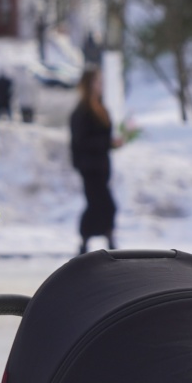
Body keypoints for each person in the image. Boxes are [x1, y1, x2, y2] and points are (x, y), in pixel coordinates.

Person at [70, 66, 122, 253]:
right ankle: (91, 239)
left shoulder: (101, 108)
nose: (101, 86)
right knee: (103, 205)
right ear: (88, 84)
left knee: (102, 205)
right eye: (97, 81)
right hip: (90, 168)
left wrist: (112, 143)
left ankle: (97, 239)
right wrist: (107, 142)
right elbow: (82, 141)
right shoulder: (82, 111)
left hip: (101, 167)